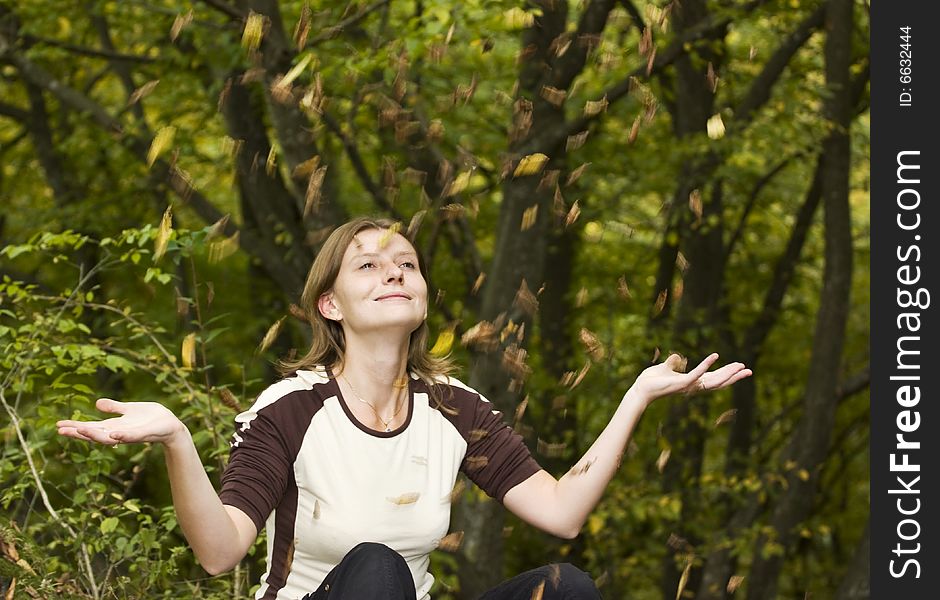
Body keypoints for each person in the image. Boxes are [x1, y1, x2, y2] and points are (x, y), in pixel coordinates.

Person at [57, 217, 751, 600]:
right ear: (330, 305)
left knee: (565, 590)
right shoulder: (292, 409)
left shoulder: (455, 408)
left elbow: (562, 514)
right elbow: (219, 553)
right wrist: (178, 438)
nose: (394, 271)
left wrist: (634, 398)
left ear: (421, 296)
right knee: (377, 566)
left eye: (407, 265)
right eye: (367, 265)